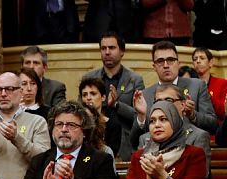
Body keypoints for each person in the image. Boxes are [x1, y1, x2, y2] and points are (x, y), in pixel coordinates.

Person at [131, 41, 218, 140]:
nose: (166, 65)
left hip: (189, 149)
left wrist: (193, 115)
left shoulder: (197, 86)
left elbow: (213, 125)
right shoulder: (145, 95)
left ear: (178, 63)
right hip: (156, 152)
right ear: (154, 67)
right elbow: (134, 140)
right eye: (160, 61)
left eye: (170, 60)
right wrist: (141, 118)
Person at [83, 31, 145, 161]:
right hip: (93, 139)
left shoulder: (135, 79)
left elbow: (139, 116)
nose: (107, 52)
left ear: (122, 51)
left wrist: (116, 105)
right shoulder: (89, 78)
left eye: (111, 48)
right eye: (103, 48)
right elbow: (81, 112)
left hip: (125, 142)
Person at [134, 84, 212, 174]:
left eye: (169, 100)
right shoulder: (145, 138)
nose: (163, 105)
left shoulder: (198, 136)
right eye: (158, 101)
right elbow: (138, 176)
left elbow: (202, 175)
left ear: (183, 105)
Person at [79, 77, 122, 157]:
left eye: (93, 94)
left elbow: (111, 154)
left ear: (103, 97)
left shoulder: (113, 124)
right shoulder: (76, 122)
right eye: (84, 94)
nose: (88, 98)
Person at [192, 47, 227, 123]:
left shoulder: (222, 83)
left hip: (216, 129)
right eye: (195, 59)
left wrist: (206, 94)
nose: (198, 61)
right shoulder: (190, 84)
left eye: (202, 58)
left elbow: (224, 112)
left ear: (210, 63)